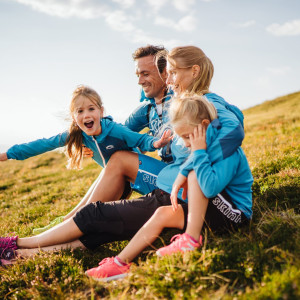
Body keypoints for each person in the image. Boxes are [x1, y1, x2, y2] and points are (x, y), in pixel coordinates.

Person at [0, 46, 246, 266]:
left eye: (149, 73)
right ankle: (49, 235)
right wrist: (93, 140)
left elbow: (234, 130)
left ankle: (41, 238)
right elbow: (119, 132)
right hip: (172, 181)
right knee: (108, 190)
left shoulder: (198, 102)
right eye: (138, 74)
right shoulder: (150, 106)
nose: (142, 80)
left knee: (101, 209)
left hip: (184, 187)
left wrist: (193, 163)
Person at [85, 93, 253, 281]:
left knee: (195, 174)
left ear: (204, 126)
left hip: (234, 212)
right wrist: (182, 174)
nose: (187, 143)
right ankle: (120, 264)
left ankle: (191, 239)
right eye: (182, 138)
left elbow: (209, 188)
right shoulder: (205, 140)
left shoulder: (228, 151)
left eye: (188, 137)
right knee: (161, 214)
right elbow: (195, 165)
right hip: (215, 206)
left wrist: (196, 156)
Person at [31, 45, 174, 234]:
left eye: (145, 74)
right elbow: (116, 135)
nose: (140, 81)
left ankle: (76, 222)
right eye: (138, 75)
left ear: (166, 72)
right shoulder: (147, 109)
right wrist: (90, 143)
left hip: (183, 179)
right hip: (166, 174)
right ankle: (70, 219)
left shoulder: (185, 102)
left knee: (120, 159)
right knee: (118, 158)